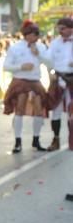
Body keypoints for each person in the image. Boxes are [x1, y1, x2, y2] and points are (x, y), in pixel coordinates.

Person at [2, 20, 50, 153]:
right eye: (33, 34)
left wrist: (38, 55)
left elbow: (49, 62)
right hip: (20, 80)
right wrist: (20, 67)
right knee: (19, 110)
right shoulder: (15, 47)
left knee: (39, 109)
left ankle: (36, 139)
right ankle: (18, 141)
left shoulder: (41, 47)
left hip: (35, 80)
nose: (35, 37)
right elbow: (6, 66)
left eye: (37, 34)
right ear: (26, 34)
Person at [45, 17, 73, 151]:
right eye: (59, 28)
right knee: (55, 111)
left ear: (70, 28)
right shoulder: (55, 43)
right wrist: (50, 72)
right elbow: (48, 60)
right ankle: (56, 139)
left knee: (71, 111)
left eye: (63, 28)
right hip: (59, 79)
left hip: (72, 80)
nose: (60, 31)